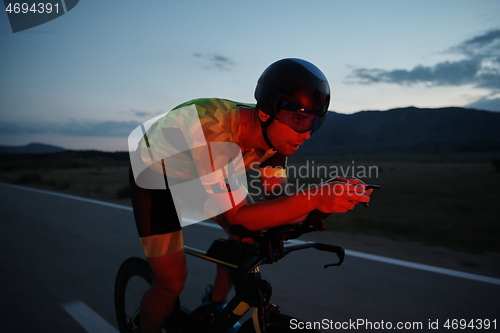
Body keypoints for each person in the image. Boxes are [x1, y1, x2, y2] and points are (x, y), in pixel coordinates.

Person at [128, 58, 372, 333]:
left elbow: (275, 200)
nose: (306, 135)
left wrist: (327, 200)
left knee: (244, 240)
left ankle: (214, 306)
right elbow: (238, 217)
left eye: (313, 124)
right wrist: (313, 198)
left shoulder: (277, 142)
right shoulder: (213, 130)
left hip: (203, 172)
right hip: (157, 181)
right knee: (171, 283)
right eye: (298, 120)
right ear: (267, 112)